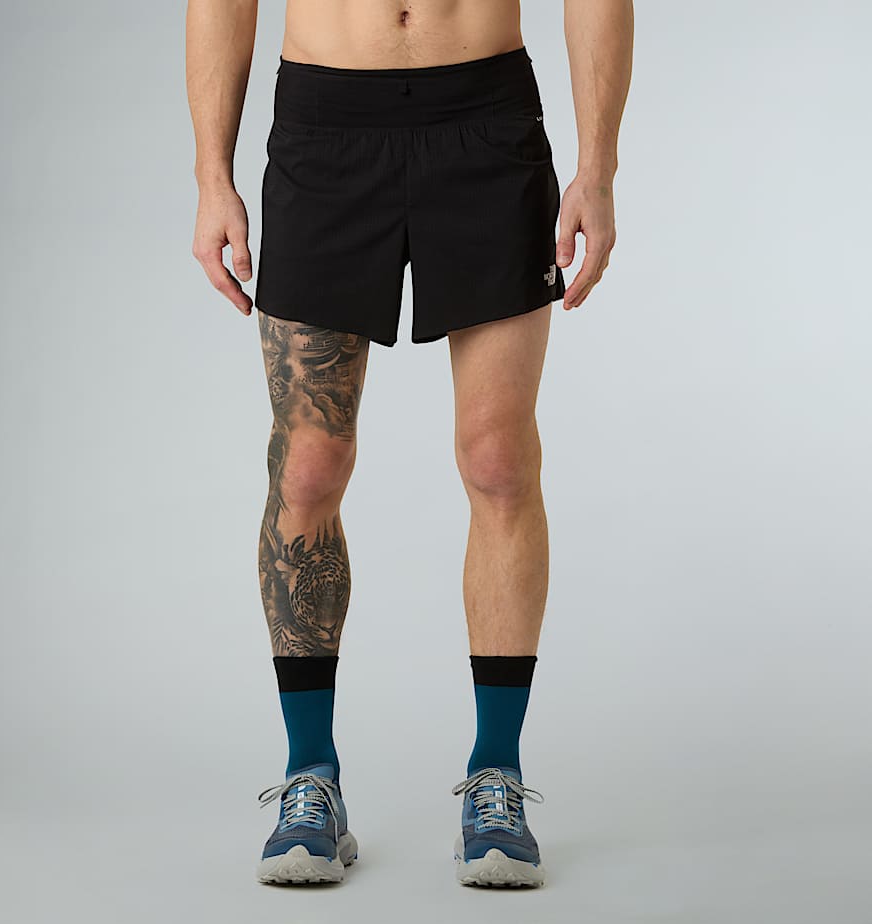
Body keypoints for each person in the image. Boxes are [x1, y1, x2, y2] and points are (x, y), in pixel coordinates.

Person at [186, 0, 633, 888]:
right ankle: (310, 775)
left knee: (498, 461)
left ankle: (496, 776)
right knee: (307, 466)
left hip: (486, 121)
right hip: (325, 126)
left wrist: (598, 165)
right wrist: (212, 174)